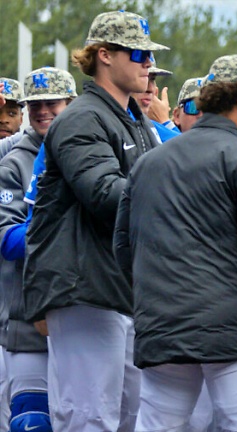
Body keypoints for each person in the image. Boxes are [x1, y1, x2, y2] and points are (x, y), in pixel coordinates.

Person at [114, 54, 237, 432]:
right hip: (233, 330)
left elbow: (124, 248)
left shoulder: (150, 162)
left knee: (156, 426)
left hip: (163, 326)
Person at [22, 10, 167, 432]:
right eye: (139, 53)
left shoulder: (133, 118)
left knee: (128, 419)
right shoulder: (82, 116)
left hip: (120, 287)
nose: (147, 63)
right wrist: (178, 198)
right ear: (104, 55)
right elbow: (106, 195)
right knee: (89, 419)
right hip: (82, 286)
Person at [0, 66, 76, 432]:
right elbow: (7, 240)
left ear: (71, 104)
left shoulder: (92, 153)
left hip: (85, 316)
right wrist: (59, 225)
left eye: (52, 103)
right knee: (32, 423)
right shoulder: (14, 161)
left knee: (91, 419)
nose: (42, 111)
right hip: (28, 321)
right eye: (34, 105)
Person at [132, 57, 179, 143]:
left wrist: (165, 122)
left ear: (156, 92)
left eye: (152, 79)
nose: (149, 88)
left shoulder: (151, 128)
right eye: (143, 77)